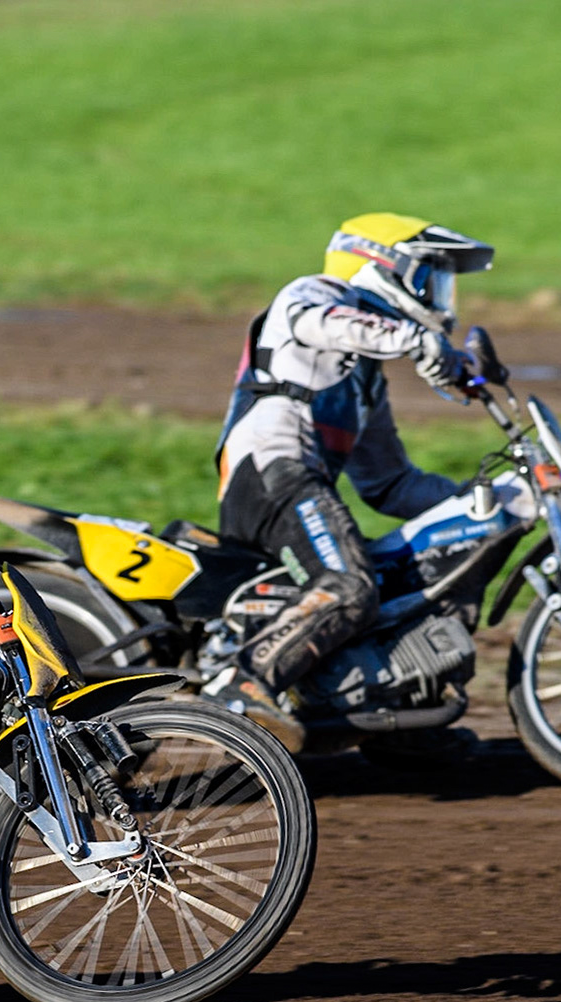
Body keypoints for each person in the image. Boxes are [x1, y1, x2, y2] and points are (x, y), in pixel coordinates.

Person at [201, 212, 495, 751]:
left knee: (396, 588)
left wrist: (477, 503)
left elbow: (390, 484)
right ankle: (242, 684)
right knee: (350, 586)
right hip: (270, 473)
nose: (438, 297)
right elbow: (326, 322)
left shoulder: (363, 381)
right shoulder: (310, 295)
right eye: (429, 278)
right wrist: (414, 339)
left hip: (299, 485)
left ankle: (402, 725)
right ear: (381, 266)